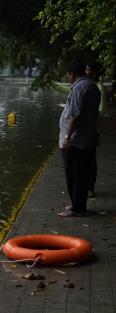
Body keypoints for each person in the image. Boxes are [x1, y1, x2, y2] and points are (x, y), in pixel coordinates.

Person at [58, 60, 101, 217]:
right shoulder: (93, 86)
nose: (67, 77)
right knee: (81, 174)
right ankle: (78, 204)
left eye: (67, 74)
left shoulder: (79, 89)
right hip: (87, 138)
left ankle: (77, 209)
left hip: (76, 140)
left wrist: (68, 137)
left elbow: (75, 114)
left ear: (72, 74)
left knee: (74, 174)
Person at [85, 61, 107, 198]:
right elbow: (66, 88)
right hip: (84, 129)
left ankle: (90, 187)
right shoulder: (83, 86)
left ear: (94, 73)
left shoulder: (99, 88)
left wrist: (89, 116)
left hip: (90, 129)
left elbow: (102, 109)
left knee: (90, 160)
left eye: (87, 69)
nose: (85, 71)